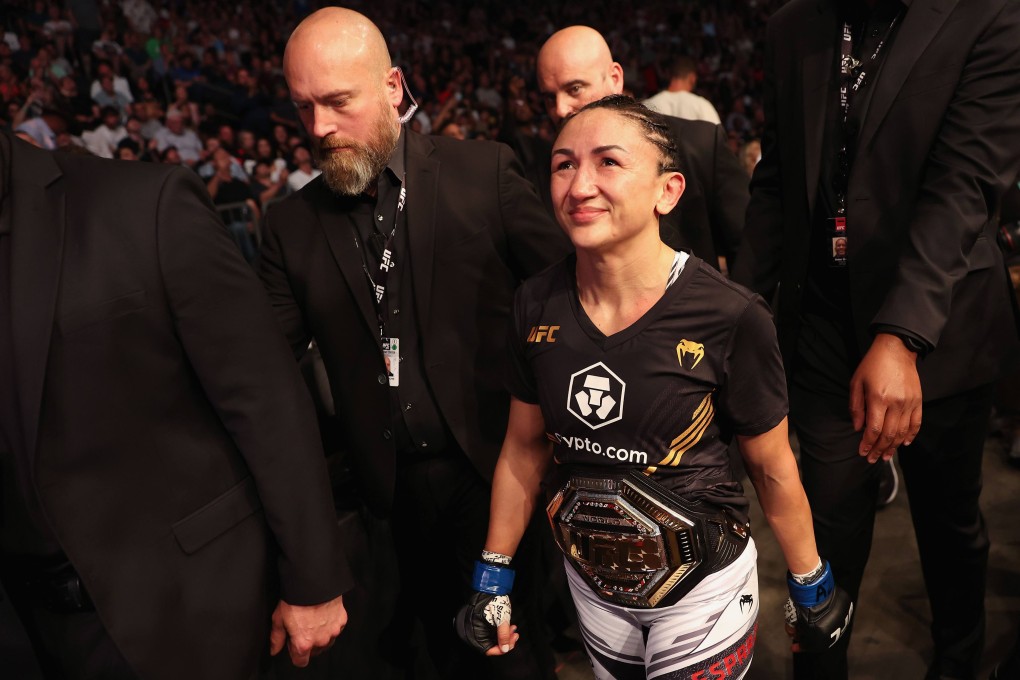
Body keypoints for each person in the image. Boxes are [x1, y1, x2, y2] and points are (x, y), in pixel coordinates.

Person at [455, 95, 851, 680]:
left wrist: (811, 582)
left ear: (668, 190)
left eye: (608, 162)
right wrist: (493, 577)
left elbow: (771, 467)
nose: (580, 185)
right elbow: (523, 448)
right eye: (564, 164)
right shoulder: (533, 302)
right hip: (591, 588)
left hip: (702, 590)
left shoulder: (730, 314)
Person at [258, 7, 571, 679]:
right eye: (303, 107)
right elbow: (262, 371)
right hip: (378, 511)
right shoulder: (289, 226)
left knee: (510, 667)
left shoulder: (482, 174)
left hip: (494, 486)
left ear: (393, 87)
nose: (317, 128)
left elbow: (566, 296)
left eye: (337, 103)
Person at [731, 2, 1020, 679]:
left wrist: (901, 336)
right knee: (827, 526)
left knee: (948, 522)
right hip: (824, 321)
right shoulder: (793, 25)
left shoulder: (992, 15)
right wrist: (734, 311)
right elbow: (777, 181)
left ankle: (958, 661)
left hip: (940, 322)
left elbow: (965, 186)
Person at [0, 129, 351, 678]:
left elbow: (265, 397)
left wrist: (314, 580)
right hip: (28, 634)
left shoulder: (142, 202)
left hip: (189, 614)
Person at [535, 26, 747, 272]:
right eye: (550, 98)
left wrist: (735, 309)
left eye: (574, 89)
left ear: (615, 78)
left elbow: (749, 244)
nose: (560, 109)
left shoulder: (698, 144)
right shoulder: (541, 174)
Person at [644, 55, 723, 125]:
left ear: (669, 75)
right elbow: (717, 138)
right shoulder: (702, 106)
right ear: (692, 78)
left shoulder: (647, 106)